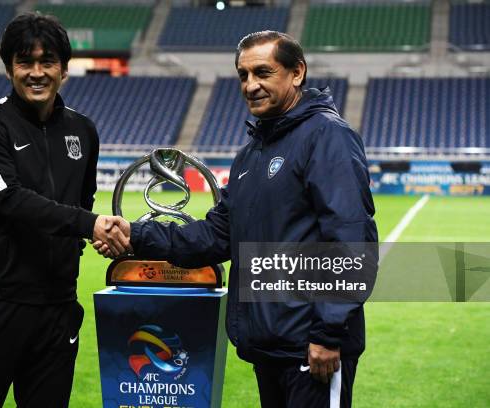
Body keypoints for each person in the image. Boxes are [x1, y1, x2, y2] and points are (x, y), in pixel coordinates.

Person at [94, 31, 378, 407]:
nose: (251, 85)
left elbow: (351, 240)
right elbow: (215, 236)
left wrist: (327, 335)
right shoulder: (252, 154)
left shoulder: (327, 137)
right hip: (269, 346)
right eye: (243, 75)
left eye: (263, 72)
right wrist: (135, 235)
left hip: (311, 349)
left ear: (297, 73)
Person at [0, 13, 129, 407]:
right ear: (9, 68)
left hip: (57, 309)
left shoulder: (84, 131)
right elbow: (10, 199)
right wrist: (90, 225)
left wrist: (87, 239)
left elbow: (83, 201)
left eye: (47, 61)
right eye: (24, 62)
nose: (36, 72)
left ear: (64, 70)